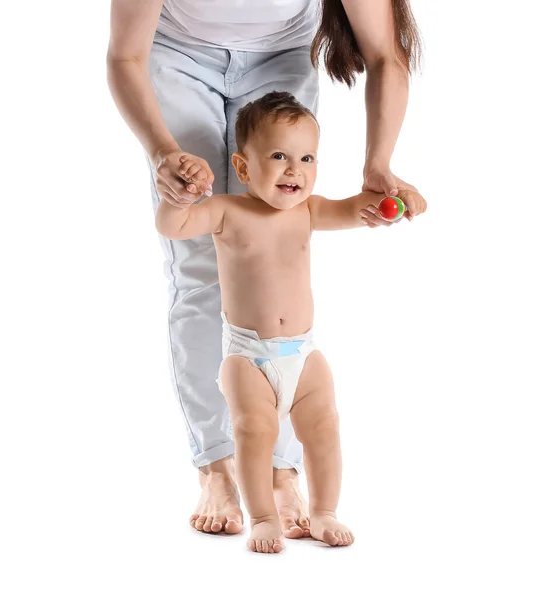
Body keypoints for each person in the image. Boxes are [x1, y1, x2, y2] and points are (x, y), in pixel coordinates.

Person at [106, 0, 423, 538]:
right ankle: (216, 464)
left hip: (279, 57)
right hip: (178, 54)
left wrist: (378, 166)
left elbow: (385, 55)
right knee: (200, 261)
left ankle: (280, 469)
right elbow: (125, 54)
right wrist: (164, 156)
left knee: (279, 231)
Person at [155, 90, 426, 552]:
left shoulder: (309, 210)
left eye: (306, 157)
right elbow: (173, 227)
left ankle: (323, 511)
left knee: (324, 428)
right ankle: (263, 516)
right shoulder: (227, 210)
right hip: (248, 358)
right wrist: (178, 198)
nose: (294, 168)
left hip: (303, 354)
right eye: (278, 155)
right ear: (242, 168)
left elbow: (358, 207)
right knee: (254, 431)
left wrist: (399, 197)